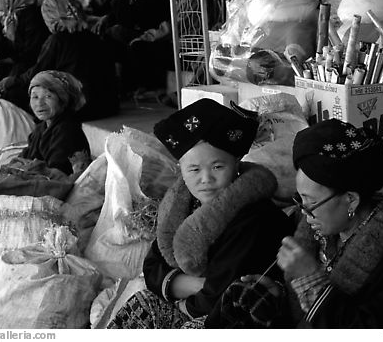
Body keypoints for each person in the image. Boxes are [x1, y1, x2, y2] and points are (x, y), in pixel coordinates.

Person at [208, 119, 383, 328]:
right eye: (299, 200)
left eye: (310, 202)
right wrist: (277, 296)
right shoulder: (320, 232)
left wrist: (309, 279)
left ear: (350, 200)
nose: (304, 212)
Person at [107, 98, 294, 329]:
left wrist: (186, 299)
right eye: (194, 169)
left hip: (229, 315)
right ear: (181, 170)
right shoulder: (182, 204)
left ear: (236, 164)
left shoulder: (255, 216)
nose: (206, 179)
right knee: (142, 302)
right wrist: (194, 284)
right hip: (192, 299)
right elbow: (153, 266)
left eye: (218, 167)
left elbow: (221, 293)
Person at [0, 0, 119, 121]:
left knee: (17, 94)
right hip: (108, 106)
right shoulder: (96, 37)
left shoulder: (58, 40)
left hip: (81, 108)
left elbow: (37, 73)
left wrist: (12, 81)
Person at [91, 0, 173, 96]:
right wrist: (107, 18)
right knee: (105, 33)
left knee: (116, 34)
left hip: (159, 41)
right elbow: (119, 13)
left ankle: (131, 87)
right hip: (143, 35)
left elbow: (129, 18)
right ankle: (117, 86)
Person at [20, 70, 91, 176]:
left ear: (62, 100)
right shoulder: (40, 129)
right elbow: (23, 158)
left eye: (48, 96)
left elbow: (56, 175)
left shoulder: (67, 131)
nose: (39, 103)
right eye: (35, 97)